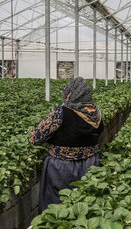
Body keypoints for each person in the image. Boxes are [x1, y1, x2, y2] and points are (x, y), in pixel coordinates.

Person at [30, 77, 104, 212]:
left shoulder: (61, 113)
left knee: (56, 207)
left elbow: (35, 138)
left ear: (71, 94)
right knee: (84, 206)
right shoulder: (97, 113)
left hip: (62, 168)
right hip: (91, 164)